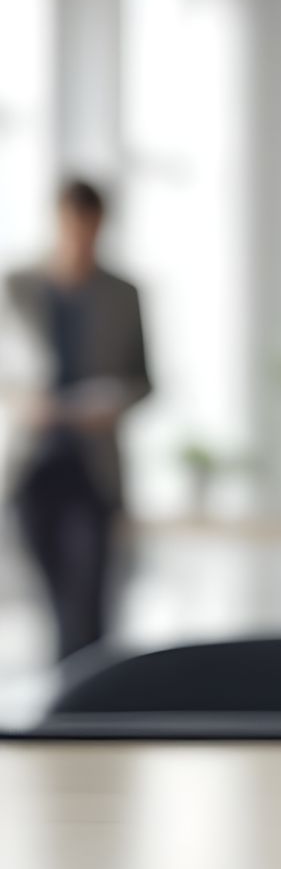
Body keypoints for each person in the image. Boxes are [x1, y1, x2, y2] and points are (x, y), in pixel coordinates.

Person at [2, 179, 151, 661]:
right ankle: (62, 700)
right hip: (33, 459)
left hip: (93, 464)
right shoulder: (16, 287)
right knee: (48, 594)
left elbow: (144, 379)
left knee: (90, 593)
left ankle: (84, 708)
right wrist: (24, 400)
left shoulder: (122, 294)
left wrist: (110, 405)